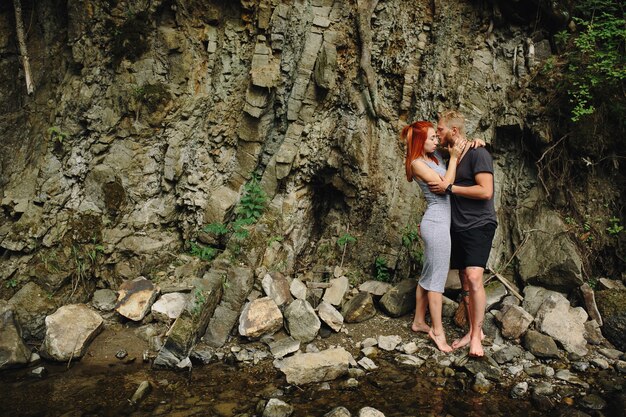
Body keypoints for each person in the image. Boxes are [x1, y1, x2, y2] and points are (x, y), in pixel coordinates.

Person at [428, 110, 497, 357]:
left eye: (441, 129)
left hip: (480, 224)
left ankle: (478, 337)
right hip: (457, 227)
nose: (438, 133)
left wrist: (450, 187)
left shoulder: (479, 153)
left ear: (454, 131)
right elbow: (420, 146)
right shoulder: (450, 156)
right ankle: (470, 331)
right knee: (465, 281)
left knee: (475, 277)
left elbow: (485, 191)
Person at [402, 121, 464, 352]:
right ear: (420, 141)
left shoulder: (433, 159)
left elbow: (456, 144)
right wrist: (455, 158)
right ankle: (438, 332)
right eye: (431, 138)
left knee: (428, 274)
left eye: (435, 137)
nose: (436, 141)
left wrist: (472, 143)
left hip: (437, 221)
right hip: (436, 223)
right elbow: (445, 185)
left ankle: (419, 321)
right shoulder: (417, 163)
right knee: (437, 281)